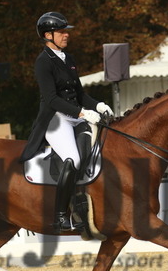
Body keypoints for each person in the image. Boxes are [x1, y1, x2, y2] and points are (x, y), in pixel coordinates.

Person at [20, 12, 113, 232]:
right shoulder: (43, 62)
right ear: (48, 35)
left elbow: (79, 94)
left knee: (93, 155)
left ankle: (85, 206)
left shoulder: (68, 58)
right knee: (73, 159)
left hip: (76, 117)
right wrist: (82, 113)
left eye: (65, 31)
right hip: (56, 120)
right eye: (61, 32)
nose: (66, 35)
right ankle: (60, 215)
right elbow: (52, 100)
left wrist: (98, 105)